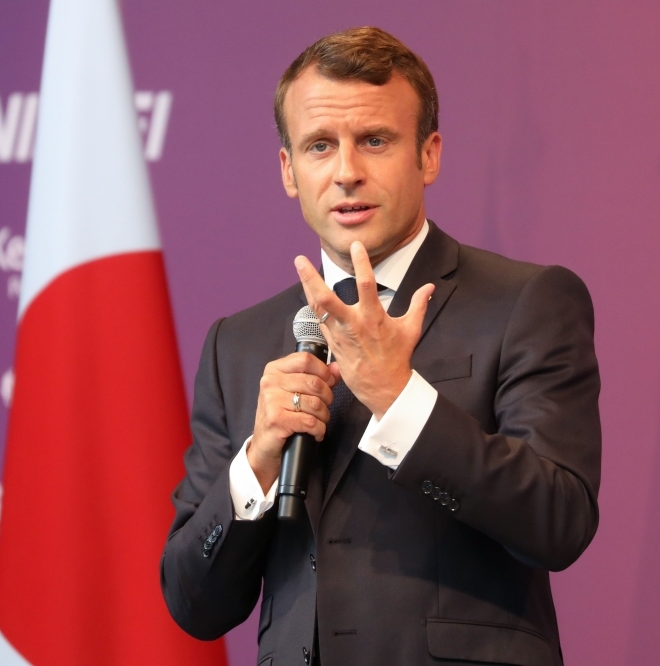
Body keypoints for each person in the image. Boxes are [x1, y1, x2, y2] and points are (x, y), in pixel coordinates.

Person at [160, 27, 600, 666]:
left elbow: (559, 523)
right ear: (288, 170)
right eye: (319, 146)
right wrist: (256, 462)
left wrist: (402, 401)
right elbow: (194, 604)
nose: (346, 172)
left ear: (429, 155)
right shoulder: (239, 343)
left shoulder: (526, 303)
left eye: (375, 140)